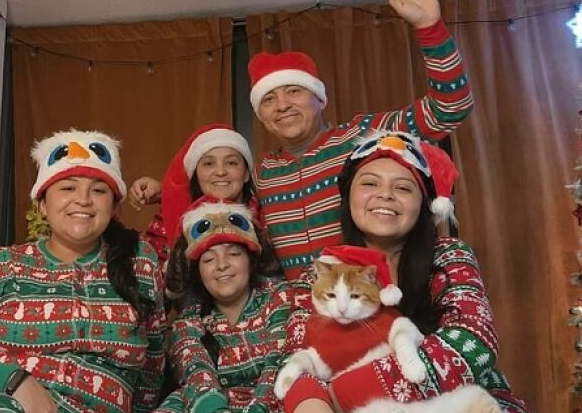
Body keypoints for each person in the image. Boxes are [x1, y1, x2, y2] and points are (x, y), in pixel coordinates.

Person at [0, 129, 166, 412]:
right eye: (68, 187)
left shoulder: (140, 264)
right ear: (42, 204)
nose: (83, 199)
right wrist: (12, 381)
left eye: (99, 190)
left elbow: (151, 373)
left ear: (115, 206)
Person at [281, 130, 526, 413]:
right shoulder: (324, 270)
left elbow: (473, 340)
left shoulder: (449, 254)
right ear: (348, 197)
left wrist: (340, 394)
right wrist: (311, 402)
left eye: (403, 188)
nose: (385, 195)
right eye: (370, 183)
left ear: (423, 204)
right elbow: (293, 357)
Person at [249, 0, 474, 280]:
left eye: (294, 91)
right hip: (305, 313)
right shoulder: (264, 173)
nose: (282, 105)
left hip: (377, 301)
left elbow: (449, 108)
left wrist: (430, 29)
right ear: (261, 116)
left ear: (320, 100)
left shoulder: (363, 135)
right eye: (269, 99)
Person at [155, 197, 307, 412]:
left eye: (234, 254)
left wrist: (259, 408)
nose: (222, 265)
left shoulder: (280, 297)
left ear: (251, 260)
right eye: (208, 260)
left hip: (273, 399)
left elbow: (280, 362)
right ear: (198, 273)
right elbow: (197, 376)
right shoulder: (187, 322)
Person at [128, 123, 263, 293]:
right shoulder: (175, 223)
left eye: (231, 163)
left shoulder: (266, 217)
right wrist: (168, 197)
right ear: (195, 174)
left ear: (245, 174)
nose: (220, 171)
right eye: (208, 164)